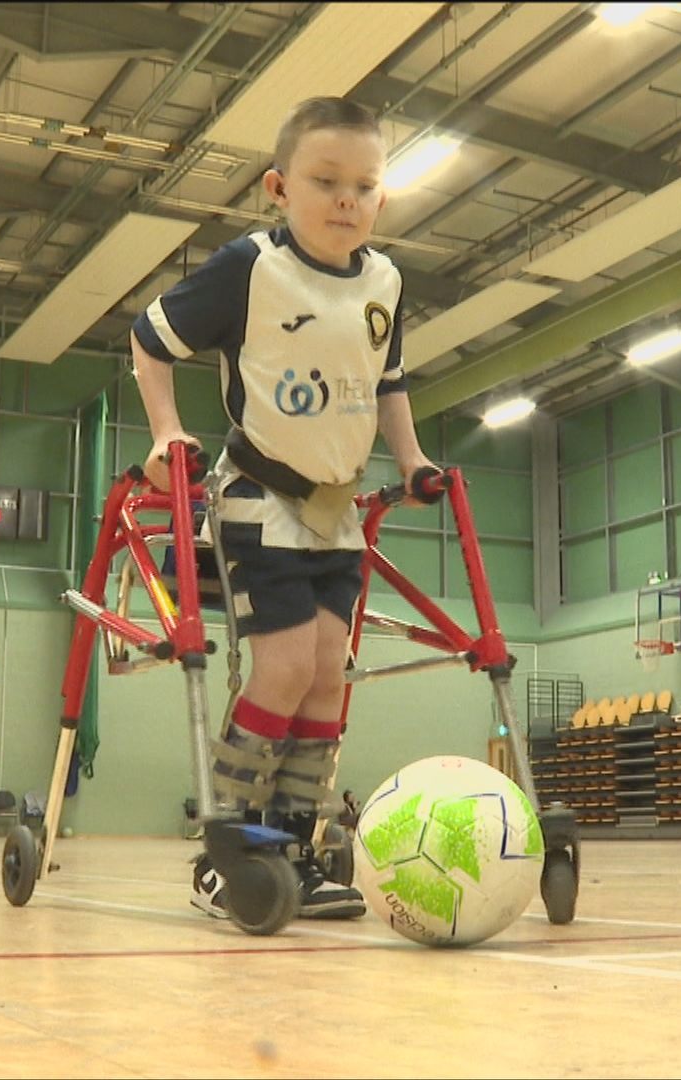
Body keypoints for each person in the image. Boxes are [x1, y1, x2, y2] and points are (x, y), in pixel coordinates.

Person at [129, 96, 439, 921]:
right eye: (326, 181)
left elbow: (390, 380)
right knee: (285, 667)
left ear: (383, 199)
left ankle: (295, 842)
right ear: (278, 187)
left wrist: (410, 459)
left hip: (338, 514)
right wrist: (167, 435)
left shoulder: (386, 280)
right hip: (258, 499)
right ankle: (226, 845)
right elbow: (149, 338)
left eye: (364, 185)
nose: (346, 200)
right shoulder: (250, 267)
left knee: (330, 672)